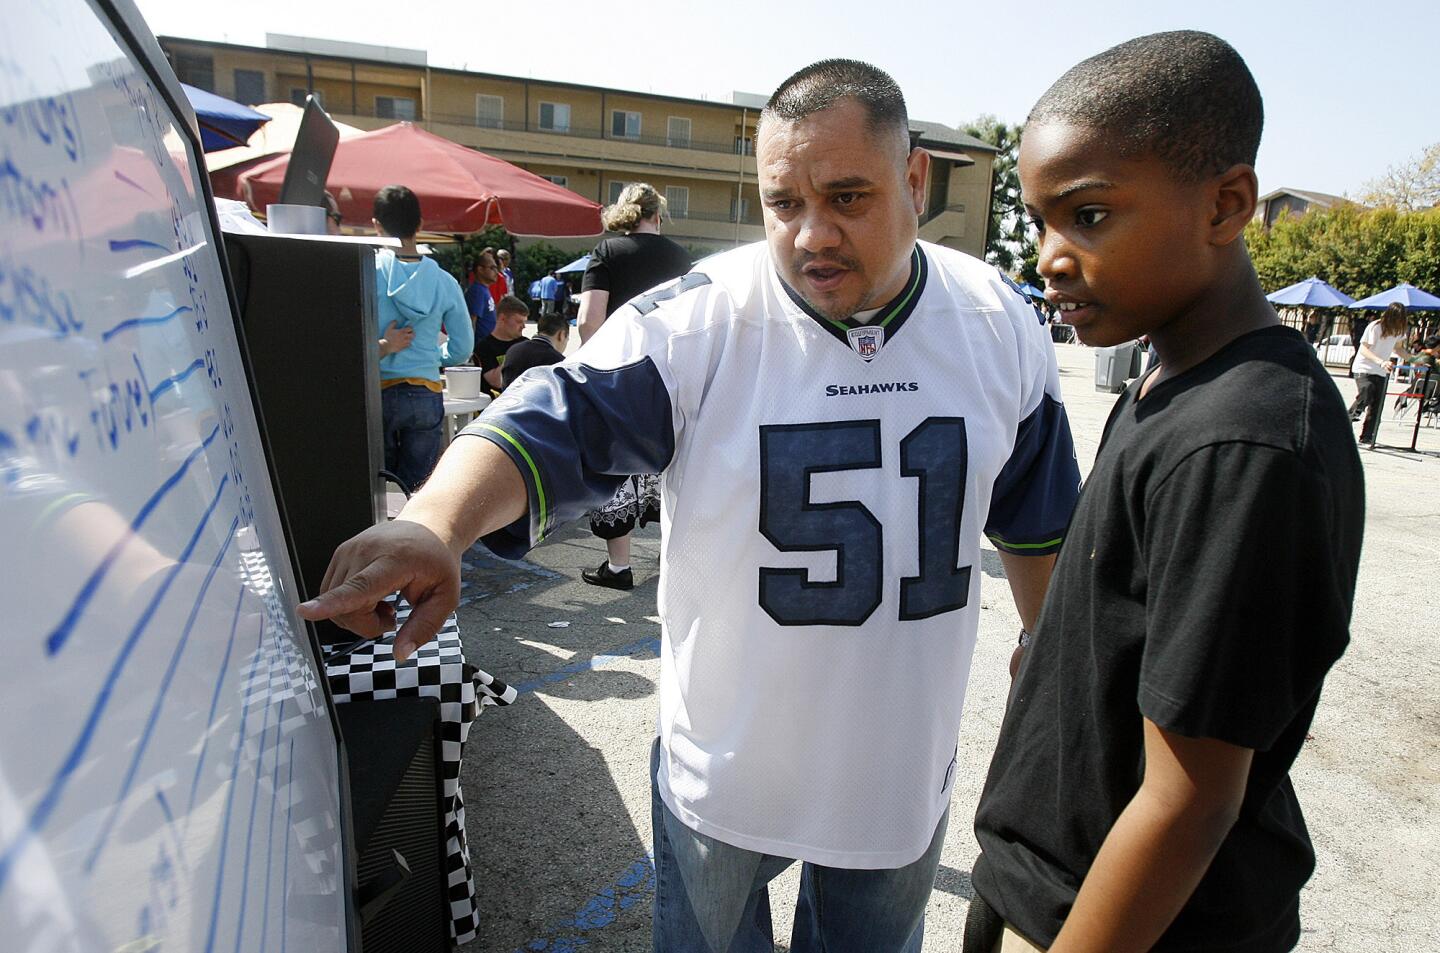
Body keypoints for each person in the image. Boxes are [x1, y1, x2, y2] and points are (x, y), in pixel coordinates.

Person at [300, 59, 1079, 952]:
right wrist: (433, 522)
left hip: (899, 767)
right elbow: (552, 419)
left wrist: (1047, 650)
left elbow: (1037, 515)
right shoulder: (701, 321)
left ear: (915, 178)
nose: (812, 234)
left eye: (848, 197)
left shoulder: (995, 319)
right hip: (728, 765)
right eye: (784, 203)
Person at [965, 32, 1364, 953]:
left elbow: (1190, 800)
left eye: (1091, 216)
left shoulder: (1244, 441)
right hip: (1048, 883)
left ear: (1226, 204)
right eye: (1041, 223)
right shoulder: (1170, 379)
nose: (1053, 257)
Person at [574, 182, 693, 590]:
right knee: (671, 464)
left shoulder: (607, 252)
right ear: (658, 215)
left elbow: (589, 318)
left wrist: (597, 363)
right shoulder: (682, 258)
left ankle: (620, 567)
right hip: (672, 375)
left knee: (616, 463)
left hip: (620, 374)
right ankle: (670, 558)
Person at [371, 185, 473, 493]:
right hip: (425, 391)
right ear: (420, 224)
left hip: (379, 392)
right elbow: (462, 347)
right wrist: (435, 356)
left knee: (379, 488)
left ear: (377, 225)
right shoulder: (444, 281)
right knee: (418, 488)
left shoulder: (367, 273)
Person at [1350, 301, 1413, 445]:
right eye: (1396, 319)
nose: (1399, 323)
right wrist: (1381, 361)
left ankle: (1367, 436)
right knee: (1367, 389)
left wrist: (1414, 359)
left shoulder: (1399, 331)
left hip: (1381, 371)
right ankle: (1351, 415)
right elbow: (1364, 349)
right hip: (1364, 367)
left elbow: (1398, 349)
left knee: (1377, 405)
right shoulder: (1375, 327)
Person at [473, 294, 530, 395]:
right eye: (519, 321)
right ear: (502, 319)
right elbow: (496, 382)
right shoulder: (484, 347)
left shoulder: (526, 343)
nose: (523, 326)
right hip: (495, 404)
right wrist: (516, 354)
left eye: (524, 322)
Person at [500, 308, 569, 388]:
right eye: (567, 339)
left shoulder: (513, 350)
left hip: (507, 398)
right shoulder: (557, 362)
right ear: (561, 335)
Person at [465, 250, 501, 342]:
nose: (496, 272)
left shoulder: (483, 289)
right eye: (492, 268)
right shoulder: (477, 291)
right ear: (480, 269)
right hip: (479, 348)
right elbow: (471, 321)